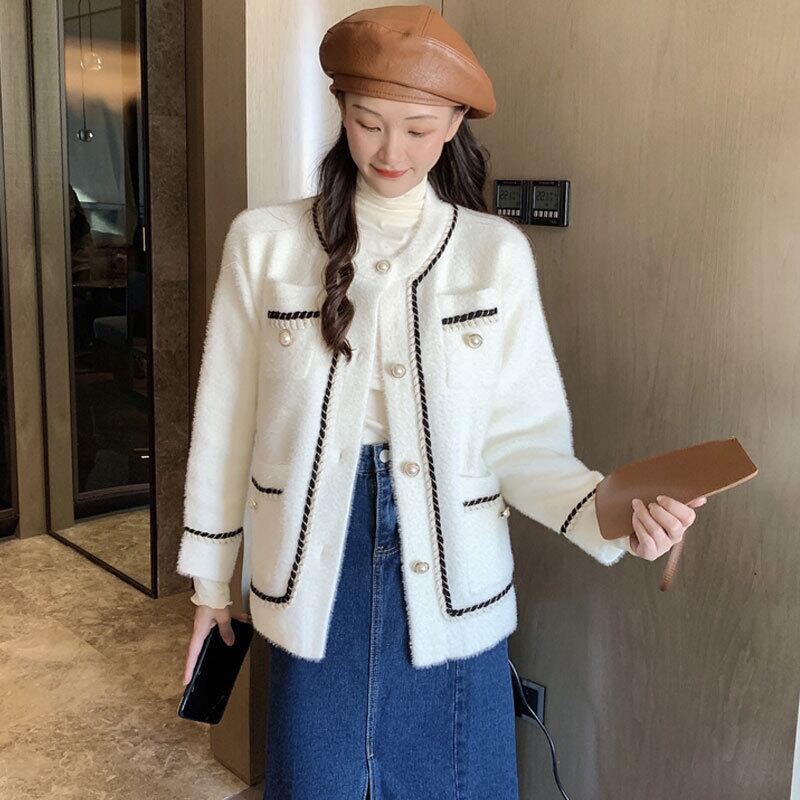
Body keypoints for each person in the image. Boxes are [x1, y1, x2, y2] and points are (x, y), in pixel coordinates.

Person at [178, 6, 706, 798]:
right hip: (311, 571)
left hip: (456, 581)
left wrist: (616, 516)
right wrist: (209, 586)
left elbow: (522, 442)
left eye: (419, 129)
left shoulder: (493, 255)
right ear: (340, 108)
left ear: (456, 123)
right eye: (368, 122)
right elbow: (225, 424)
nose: (391, 152)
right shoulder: (264, 243)